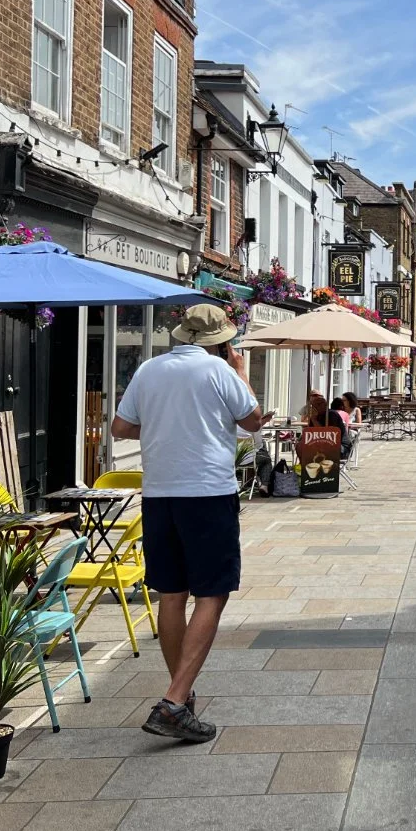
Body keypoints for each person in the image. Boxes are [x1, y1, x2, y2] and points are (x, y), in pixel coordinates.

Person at [112, 303, 261, 744]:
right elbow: (252, 422)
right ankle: (174, 701)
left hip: (159, 494)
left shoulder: (149, 370)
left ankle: (181, 696)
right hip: (208, 493)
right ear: (222, 341)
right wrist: (240, 372)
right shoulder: (219, 372)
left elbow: (121, 427)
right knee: (212, 593)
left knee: (172, 594)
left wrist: (166, 429)